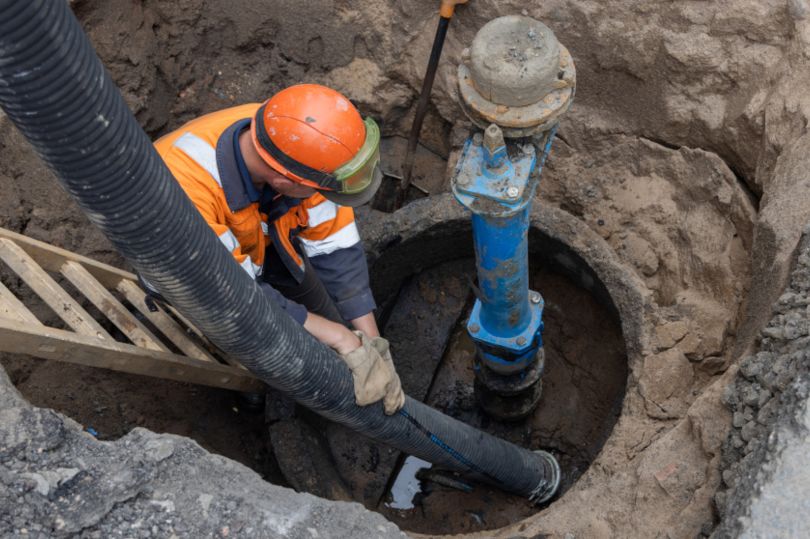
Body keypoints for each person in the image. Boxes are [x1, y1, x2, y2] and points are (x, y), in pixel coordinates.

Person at [153, 84, 404, 414]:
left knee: (326, 321)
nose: (321, 195)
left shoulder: (294, 137)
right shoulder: (181, 192)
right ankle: (258, 394)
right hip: (187, 269)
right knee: (273, 341)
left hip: (261, 236)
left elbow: (336, 243)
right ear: (285, 182)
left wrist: (372, 341)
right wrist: (341, 338)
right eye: (317, 190)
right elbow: (236, 295)